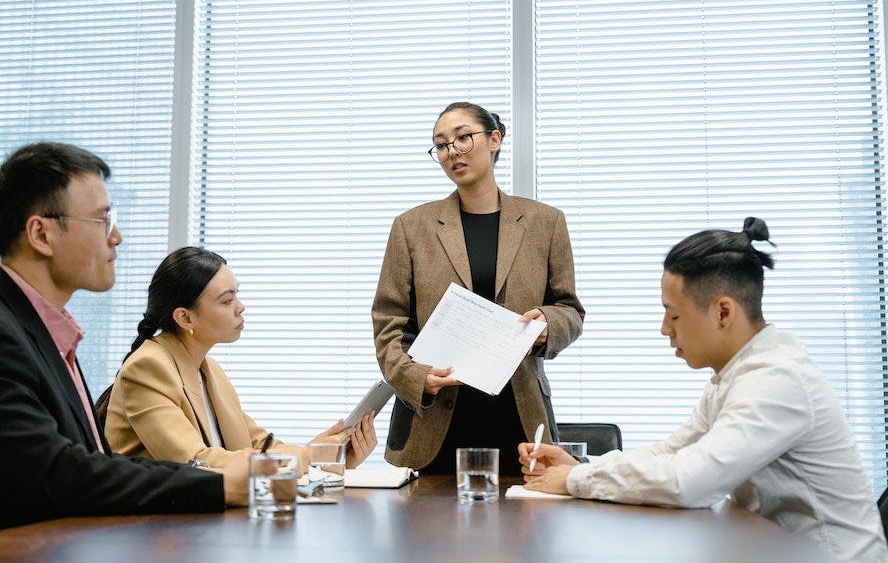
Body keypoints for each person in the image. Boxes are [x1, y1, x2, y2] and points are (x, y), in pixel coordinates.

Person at [0, 142, 248, 546]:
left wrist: (218, 480)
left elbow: (93, 465)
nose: (116, 237)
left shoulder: (38, 330)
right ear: (41, 233)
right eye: (102, 220)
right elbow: (57, 477)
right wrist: (219, 486)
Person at [518, 217, 888, 563]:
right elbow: (672, 450)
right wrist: (582, 465)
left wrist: (575, 480)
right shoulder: (736, 374)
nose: (665, 328)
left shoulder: (776, 380)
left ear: (723, 313)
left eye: (673, 314)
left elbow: (689, 482)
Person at [372, 102, 585, 475]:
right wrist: (416, 377)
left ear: (494, 139)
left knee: (527, 528)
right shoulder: (411, 227)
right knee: (425, 529)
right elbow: (388, 321)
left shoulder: (545, 222)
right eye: (441, 145)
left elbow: (570, 308)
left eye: (463, 138)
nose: (452, 151)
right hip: (435, 415)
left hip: (517, 413)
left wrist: (548, 323)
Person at [103, 246, 378, 471]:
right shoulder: (148, 367)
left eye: (238, 295)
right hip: (149, 528)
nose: (240, 307)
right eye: (226, 301)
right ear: (185, 317)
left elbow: (259, 445)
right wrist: (309, 457)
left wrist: (325, 453)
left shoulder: (209, 369)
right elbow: (194, 461)